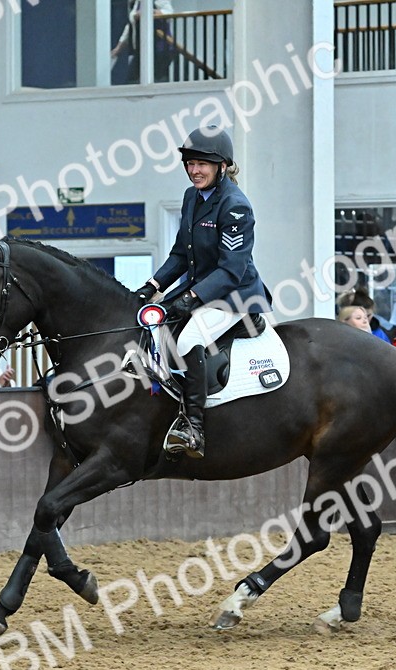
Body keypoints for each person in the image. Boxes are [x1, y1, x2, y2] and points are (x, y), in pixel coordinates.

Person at [134, 126, 271, 459]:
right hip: (199, 289)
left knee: (188, 339)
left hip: (235, 295)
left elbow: (230, 269)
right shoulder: (191, 197)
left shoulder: (236, 206)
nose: (195, 170)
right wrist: (152, 287)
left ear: (222, 166)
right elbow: (181, 254)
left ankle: (193, 427)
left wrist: (189, 300)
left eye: (203, 164)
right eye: (190, 163)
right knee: (152, 328)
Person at [111, 0, 175, 84]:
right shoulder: (137, 3)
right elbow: (130, 26)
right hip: (140, 49)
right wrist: (118, 48)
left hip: (159, 49)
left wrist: (149, 13)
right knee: (133, 80)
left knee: (155, 80)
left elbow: (169, 13)